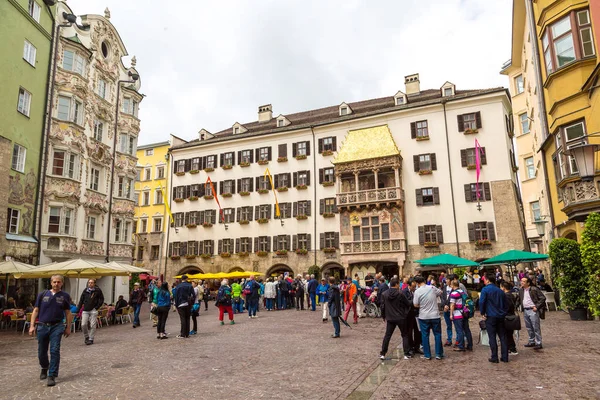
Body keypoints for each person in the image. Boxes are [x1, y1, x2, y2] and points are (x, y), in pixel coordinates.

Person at [29, 275, 72, 387]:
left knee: (54, 350)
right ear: (51, 283)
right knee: (41, 351)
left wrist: (68, 327)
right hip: (43, 326)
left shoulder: (64, 296)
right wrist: (32, 325)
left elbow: (68, 312)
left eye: (58, 282)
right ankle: (44, 367)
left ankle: (52, 375)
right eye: (54, 282)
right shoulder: (43, 295)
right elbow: (36, 310)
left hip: (57, 326)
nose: (56, 284)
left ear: (62, 283)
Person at [380, 278, 412, 360]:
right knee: (405, 335)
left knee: (387, 335)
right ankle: (406, 353)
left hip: (390, 318)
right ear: (397, 284)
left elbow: (382, 306)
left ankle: (383, 353)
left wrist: (383, 316)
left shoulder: (384, 294)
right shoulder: (400, 293)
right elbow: (408, 303)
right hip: (400, 317)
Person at [413, 276, 443, 360]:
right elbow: (440, 292)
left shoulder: (417, 291)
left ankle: (427, 354)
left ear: (417, 283)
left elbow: (415, 304)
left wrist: (422, 305)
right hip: (435, 315)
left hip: (424, 316)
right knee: (437, 334)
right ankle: (438, 354)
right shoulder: (432, 288)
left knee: (425, 335)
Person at [480, 273, 508, 363]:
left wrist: (482, 312)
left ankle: (494, 356)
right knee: (502, 337)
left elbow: (482, 302)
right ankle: (505, 357)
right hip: (500, 316)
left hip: (491, 316)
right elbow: (506, 304)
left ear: (488, 280)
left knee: (492, 337)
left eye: (485, 279)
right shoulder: (500, 291)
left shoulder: (485, 290)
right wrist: (503, 312)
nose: (484, 281)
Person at [519, 277, 545, 350]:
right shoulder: (521, 290)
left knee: (535, 327)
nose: (522, 282)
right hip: (525, 310)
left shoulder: (534, 289)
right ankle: (531, 341)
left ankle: (539, 342)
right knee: (529, 327)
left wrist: (536, 307)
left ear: (528, 283)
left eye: (524, 281)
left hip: (532, 310)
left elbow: (542, 298)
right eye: (521, 281)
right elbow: (519, 299)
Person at [77, 278, 104, 345]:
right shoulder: (85, 291)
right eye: (89, 282)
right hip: (85, 309)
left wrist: (97, 307)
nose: (90, 284)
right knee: (83, 324)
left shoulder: (97, 291)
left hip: (93, 310)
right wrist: (78, 309)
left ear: (94, 283)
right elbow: (81, 300)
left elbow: (101, 299)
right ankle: (86, 336)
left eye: (92, 283)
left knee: (93, 325)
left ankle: (91, 338)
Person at [448, 279, 472, 352]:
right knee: (467, 330)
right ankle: (470, 345)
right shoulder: (462, 292)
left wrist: (451, 314)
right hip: (464, 313)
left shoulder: (454, 293)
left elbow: (452, 305)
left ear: (452, 285)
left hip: (457, 314)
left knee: (459, 330)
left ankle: (461, 346)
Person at [402, 279, 422, 355]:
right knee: (409, 332)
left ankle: (416, 347)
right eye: (413, 287)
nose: (414, 288)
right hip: (408, 315)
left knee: (417, 331)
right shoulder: (404, 292)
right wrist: (415, 301)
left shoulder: (416, 291)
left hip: (416, 314)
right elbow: (407, 303)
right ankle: (410, 347)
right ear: (409, 286)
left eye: (415, 286)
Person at [501, 282, 519, 355]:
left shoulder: (506, 296)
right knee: (509, 333)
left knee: (508, 334)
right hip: (511, 315)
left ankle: (512, 349)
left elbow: (507, 306)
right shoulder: (511, 295)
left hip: (508, 316)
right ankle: (510, 348)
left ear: (503, 288)